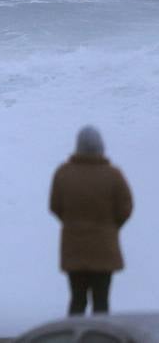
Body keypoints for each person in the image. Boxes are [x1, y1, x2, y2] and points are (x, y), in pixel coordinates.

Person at [49, 125, 132, 315]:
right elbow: (126, 208)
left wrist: (71, 221)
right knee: (101, 301)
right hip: (104, 249)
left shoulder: (63, 173)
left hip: (74, 249)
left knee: (77, 300)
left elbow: (55, 206)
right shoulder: (113, 175)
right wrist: (111, 226)